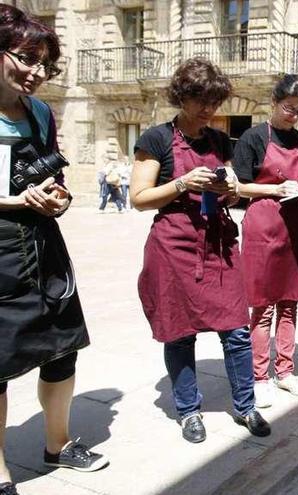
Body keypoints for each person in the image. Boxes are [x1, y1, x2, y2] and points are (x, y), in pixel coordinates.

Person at [131, 57, 270, 443]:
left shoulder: (219, 139)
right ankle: (189, 410)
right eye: (201, 101)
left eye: (214, 101)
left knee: (237, 331)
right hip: (173, 246)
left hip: (218, 244)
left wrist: (229, 190)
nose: (208, 109)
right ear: (182, 96)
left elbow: (235, 188)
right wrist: (183, 182)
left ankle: (246, 406)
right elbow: (139, 198)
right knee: (179, 333)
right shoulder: (156, 139)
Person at [0, 6, 108, 495]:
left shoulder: (41, 112)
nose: (37, 72)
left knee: (63, 348)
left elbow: (52, 176)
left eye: (45, 64)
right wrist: (13, 199)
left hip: (43, 245)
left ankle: (57, 444)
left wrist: (57, 195)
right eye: (26, 58)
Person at [233, 74, 298, 406]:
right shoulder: (253, 138)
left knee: (289, 302)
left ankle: (284, 371)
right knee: (263, 306)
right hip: (264, 226)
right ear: (274, 101)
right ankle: (258, 376)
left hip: (297, 226)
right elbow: (238, 187)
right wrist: (274, 188)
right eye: (289, 108)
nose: (294, 115)